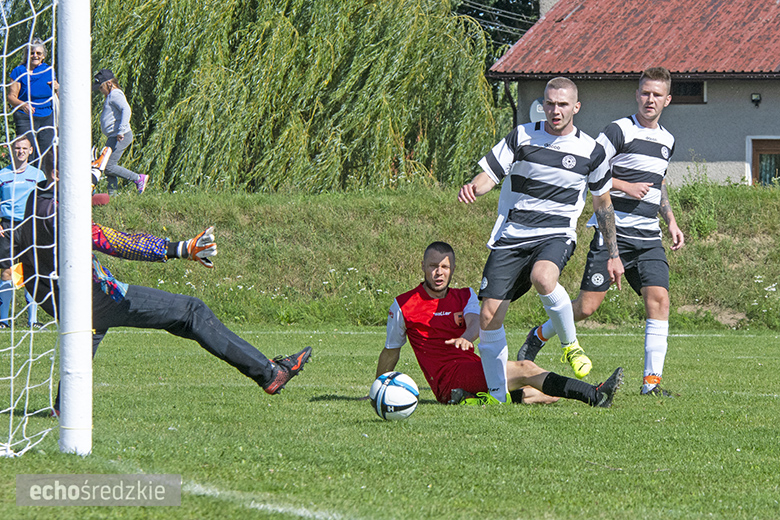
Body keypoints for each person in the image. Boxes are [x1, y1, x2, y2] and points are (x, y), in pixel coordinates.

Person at [21, 156, 310, 415]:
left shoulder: (38, 196)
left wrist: (93, 173)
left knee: (90, 338)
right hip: (95, 297)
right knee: (191, 311)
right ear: (60, 174)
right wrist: (181, 248)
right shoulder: (60, 215)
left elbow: (72, 195)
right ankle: (271, 374)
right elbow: (118, 242)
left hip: (60, 297)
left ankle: (63, 407)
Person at [519, 68, 684, 397]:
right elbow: (590, 170)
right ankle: (538, 336)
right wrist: (625, 185)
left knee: (659, 300)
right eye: (644, 93)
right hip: (613, 233)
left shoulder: (668, 140)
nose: (649, 100)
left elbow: (659, 183)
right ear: (637, 95)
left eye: (656, 95)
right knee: (587, 307)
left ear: (667, 100)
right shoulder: (619, 131)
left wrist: (670, 220)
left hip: (648, 235)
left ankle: (652, 384)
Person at [458, 77, 624, 403]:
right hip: (513, 234)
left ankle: (570, 346)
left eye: (563, 104)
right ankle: (497, 396)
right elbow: (491, 173)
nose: (555, 110)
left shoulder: (592, 150)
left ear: (576, 107)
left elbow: (603, 205)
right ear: (543, 104)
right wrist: (474, 187)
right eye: (550, 103)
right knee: (490, 314)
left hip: (556, 232)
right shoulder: (522, 135)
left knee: (543, 277)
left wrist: (613, 254)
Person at [375, 241, 623, 408]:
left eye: (444, 267)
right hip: (449, 377)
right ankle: (595, 394)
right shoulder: (404, 305)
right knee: (526, 369)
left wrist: (467, 337)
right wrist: (379, 387)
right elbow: (391, 350)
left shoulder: (465, 295)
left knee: (549, 395)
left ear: (452, 270)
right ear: (423, 267)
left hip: (476, 366)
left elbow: (475, 323)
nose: (438, 272)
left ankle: (472, 400)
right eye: (432, 266)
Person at [0, 135, 45, 328]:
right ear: (12, 150)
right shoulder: (2, 174)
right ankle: (3, 320)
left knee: (30, 272)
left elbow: (44, 202)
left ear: (30, 151)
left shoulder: (38, 175)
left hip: (30, 226)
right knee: (7, 272)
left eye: (24, 149)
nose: (20, 152)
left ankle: (32, 320)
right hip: (8, 228)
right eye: (17, 148)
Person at [93, 68, 148, 196]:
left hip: (120, 136)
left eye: (101, 88)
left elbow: (126, 109)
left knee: (109, 166)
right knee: (106, 166)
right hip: (113, 136)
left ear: (109, 84)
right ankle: (113, 194)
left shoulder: (115, 94)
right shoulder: (111, 96)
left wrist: (121, 130)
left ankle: (138, 178)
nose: (101, 91)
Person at [7, 37, 58, 165]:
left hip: (46, 116)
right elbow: (11, 97)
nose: (35, 55)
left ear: (43, 56)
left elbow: (57, 92)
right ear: (27, 55)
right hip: (25, 117)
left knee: (46, 154)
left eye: (38, 53)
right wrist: (23, 104)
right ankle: (27, 181)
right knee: (26, 151)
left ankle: (43, 182)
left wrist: (57, 88)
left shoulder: (49, 71)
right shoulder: (18, 71)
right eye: (32, 52)